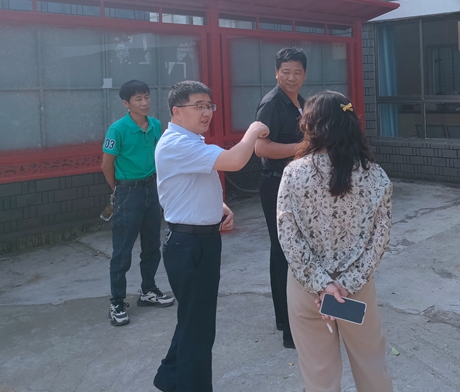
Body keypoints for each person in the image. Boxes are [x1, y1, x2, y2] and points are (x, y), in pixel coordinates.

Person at [153, 80, 269, 392]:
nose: (206, 112)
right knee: (199, 327)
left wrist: (219, 207)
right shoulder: (178, 143)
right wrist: (253, 130)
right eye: (199, 106)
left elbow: (190, 184)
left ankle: (169, 376)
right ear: (177, 111)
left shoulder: (190, 141)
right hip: (189, 244)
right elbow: (234, 161)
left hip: (198, 240)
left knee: (193, 318)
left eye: (209, 106)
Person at [277, 91, 394, 392]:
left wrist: (322, 284)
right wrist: (345, 284)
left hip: (306, 289)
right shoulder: (375, 176)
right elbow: (380, 238)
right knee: (371, 365)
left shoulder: (293, 173)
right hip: (355, 290)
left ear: (311, 125)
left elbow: (288, 235)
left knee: (319, 376)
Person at [102, 79, 174, 327]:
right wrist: (118, 190)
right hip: (127, 192)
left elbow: (160, 155)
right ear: (126, 103)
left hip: (151, 189)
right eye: (138, 99)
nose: (144, 103)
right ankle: (117, 301)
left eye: (146, 97)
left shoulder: (155, 125)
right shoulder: (117, 130)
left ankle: (148, 290)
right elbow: (106, 165)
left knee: (152, 244)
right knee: (122, 251)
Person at [254, 47, 307, 349]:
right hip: (276, 184)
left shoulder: (302, 102)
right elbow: (261, 148)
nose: (291, 77)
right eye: (285, 72)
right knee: (283, 251)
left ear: (304, 75)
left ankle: (291, 317)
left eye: (297, 72)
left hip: (298, 185)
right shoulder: (271, 104)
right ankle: (288, 326)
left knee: (296, 250)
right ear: (276, 73)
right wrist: (303, 147)